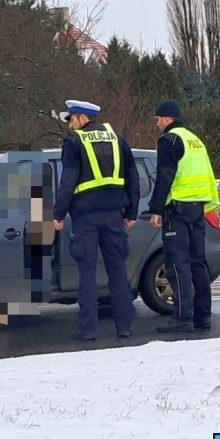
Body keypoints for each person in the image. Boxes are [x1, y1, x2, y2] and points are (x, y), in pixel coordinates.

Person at [53, 100, 140, 341]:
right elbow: (133, 178)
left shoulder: (74, 142)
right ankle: (124, 327)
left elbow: (67, 181)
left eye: (71, 119)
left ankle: (88, 330)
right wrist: (131, 213)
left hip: (86, 218)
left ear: (82, 118)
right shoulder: (118, 139)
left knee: (87, 274)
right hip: (114, 215)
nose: (69, 126)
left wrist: (58, 214)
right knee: (118, 272)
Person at [148, 99, 219, 333]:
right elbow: (208, 175)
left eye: (157, 120)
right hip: (198, 207)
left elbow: (164, 177)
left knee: (177, 265)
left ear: (167, 118)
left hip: (177, 210)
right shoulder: (194, 140)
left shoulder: (170, 140)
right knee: (198, 262)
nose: (157, 124)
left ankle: (182, 317)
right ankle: (203, 317)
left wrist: (156, 208)